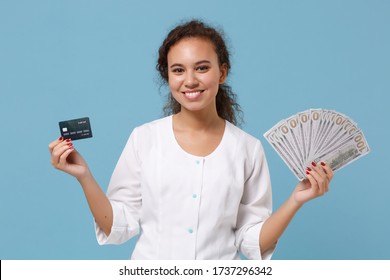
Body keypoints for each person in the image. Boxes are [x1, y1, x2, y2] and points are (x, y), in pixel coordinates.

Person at [49, 20, 333, 260]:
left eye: (202, 68)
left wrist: (295, 200)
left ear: (222, 72)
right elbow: (118, 226)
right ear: (168, 76)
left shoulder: (247, 148)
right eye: (178, 70)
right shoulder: (145, 138)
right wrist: (84, 177)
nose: (190, 80)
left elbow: (252, 242)